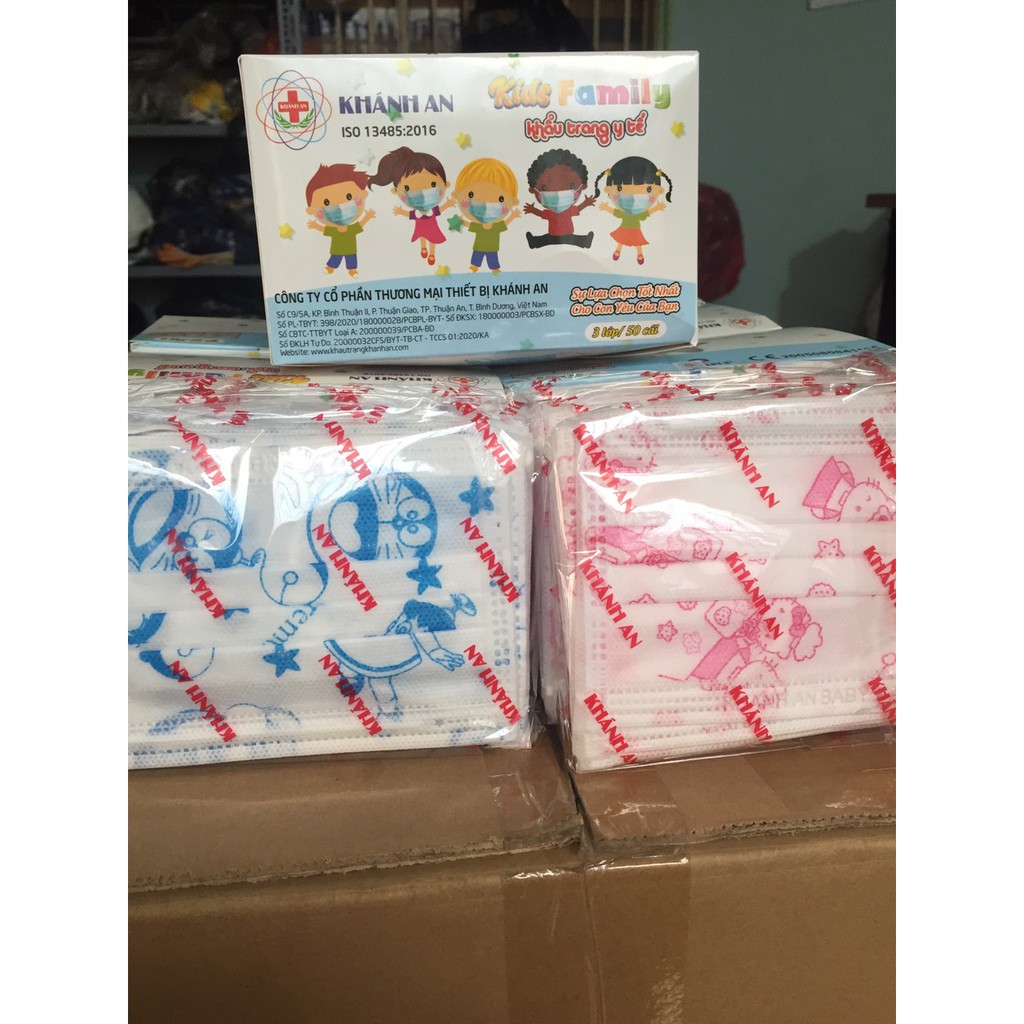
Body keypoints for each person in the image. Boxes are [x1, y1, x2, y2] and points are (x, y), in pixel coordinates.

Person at [369, 146, 455, 266]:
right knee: (422, 237)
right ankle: (423, 248)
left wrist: (448, 204)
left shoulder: (432, 211)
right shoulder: (417, 213)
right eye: (407, 188)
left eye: (433, 184)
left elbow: (441, 209)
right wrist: (400, 212)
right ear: (396, 191)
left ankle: (431, 254)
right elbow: (409, 214)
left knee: (433, 239)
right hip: (420, 228)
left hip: (432, 228)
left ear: (446, 185)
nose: (422, 193)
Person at [594, 156, 672, 265]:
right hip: (625, 229)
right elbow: (616, 213)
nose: (634, 197)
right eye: (620, 188)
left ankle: (639, 255)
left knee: (637, 243)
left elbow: (646, 213)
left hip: (635, 230)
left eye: (648, 189)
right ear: (607, 190)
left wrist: (657, 208)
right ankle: (618, 251)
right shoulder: (625, 212)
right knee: (621, 241)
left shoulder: (638, 213)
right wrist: (606, 208)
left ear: (660, 191)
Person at [304, 163, 376, 277]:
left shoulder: (351, 229)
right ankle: (330, 268)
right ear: (311, 210)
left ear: (363, 194)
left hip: (350, 250)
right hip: (337, 250)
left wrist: (367, 216)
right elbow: (323, 229)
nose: (339, 207)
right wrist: (314, 226)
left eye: (349, 197)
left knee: (351, 260)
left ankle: (352, 270)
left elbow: (360, 224)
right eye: (326, 203)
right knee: (335, 258)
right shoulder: (334, 230)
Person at [452, 157, 521, 274]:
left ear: (513, 202)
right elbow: (469, 225)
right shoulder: (479, 227)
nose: (485, 204)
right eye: (471, 195)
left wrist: (513, 216)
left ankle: (494, 268)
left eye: (500, 199)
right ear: (457, 195)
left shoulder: (496, 227)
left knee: (492, 258)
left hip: (492, 248)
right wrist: (460, 222)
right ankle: (474, 266)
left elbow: (505, 223)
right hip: (478, 247)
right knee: (477, 256)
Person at [523, 147, 595, 249]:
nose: (558, 195)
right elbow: (541, 214)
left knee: (564, 239)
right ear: (532, 189)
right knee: (547, 239)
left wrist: (586, 203)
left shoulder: (567, 211)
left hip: (566, 234)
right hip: (553, 234)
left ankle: (584, 241)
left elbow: (541, 214)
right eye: (544, 188)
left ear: (583, 186)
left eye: (571, 186)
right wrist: (532, 210)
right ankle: (534, 242)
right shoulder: (553, 213)